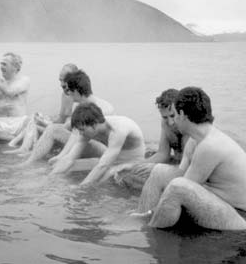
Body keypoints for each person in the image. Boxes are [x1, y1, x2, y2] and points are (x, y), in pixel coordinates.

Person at [133, 87, 246, 230]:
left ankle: (149, 230)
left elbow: (184, 186)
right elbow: (182, 174)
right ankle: (140, 217)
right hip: (222, 203)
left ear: (181, 114)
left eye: (174, 115)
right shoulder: (196, 140)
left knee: (177, 187)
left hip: (238, 216)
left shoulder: (210, 145)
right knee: (159, 171)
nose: (172, 122)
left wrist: (160, 206)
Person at [22, 70, 114, 165]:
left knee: (53, 130)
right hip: (89, 142)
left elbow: (76, 136)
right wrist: (43, 124)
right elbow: (67, 127)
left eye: (69, 90)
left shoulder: (100, 109)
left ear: (76, 91)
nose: (68, 93)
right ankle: (32, 158)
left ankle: (29, 162)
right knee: (51, 129)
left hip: (102, 148)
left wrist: (62, 156)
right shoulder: (84, 105)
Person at [107, 89, 190, 190]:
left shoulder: (188, 128)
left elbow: (188, 168)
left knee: (133, 177)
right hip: (175, 164)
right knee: (126, 172)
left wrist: (152, 169)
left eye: (173, 116)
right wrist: (134, 166)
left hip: (186, 170)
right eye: (165, 117)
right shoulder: (165, 124)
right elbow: (163, 154)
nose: (170, 122)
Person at [50, 102, 145, 186]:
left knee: (105, 178)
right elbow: (69, 159)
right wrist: (50, 178)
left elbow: (103, 165)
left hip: (133, 163)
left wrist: (80, 187)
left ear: (94, 124)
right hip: (112, 161)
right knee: (61, 168)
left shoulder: (118, 130)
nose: (81, 133)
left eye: (82, 130)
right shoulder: (87, 127)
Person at [6, 63, 78, 153]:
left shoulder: (74, 96)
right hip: (63, 129)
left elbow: (68, 126)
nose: (61, 84)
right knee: (34, 119)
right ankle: (23, 147)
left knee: (33, 124)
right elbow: (61, 119)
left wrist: (43, 122)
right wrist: (45, 119)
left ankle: (23, 148)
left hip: (69, 136)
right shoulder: (66, 94)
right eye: (60, 80)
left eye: (64, 81)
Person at [0, 52, 30, 141]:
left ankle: (15, 139)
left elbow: (11, 92)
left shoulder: (24, 80)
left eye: (4, 64)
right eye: (1, 64)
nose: (1, 67)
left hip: (19, 121)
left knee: (30, 122)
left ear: (15, 67)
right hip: (1, 122)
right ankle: (14, 140)